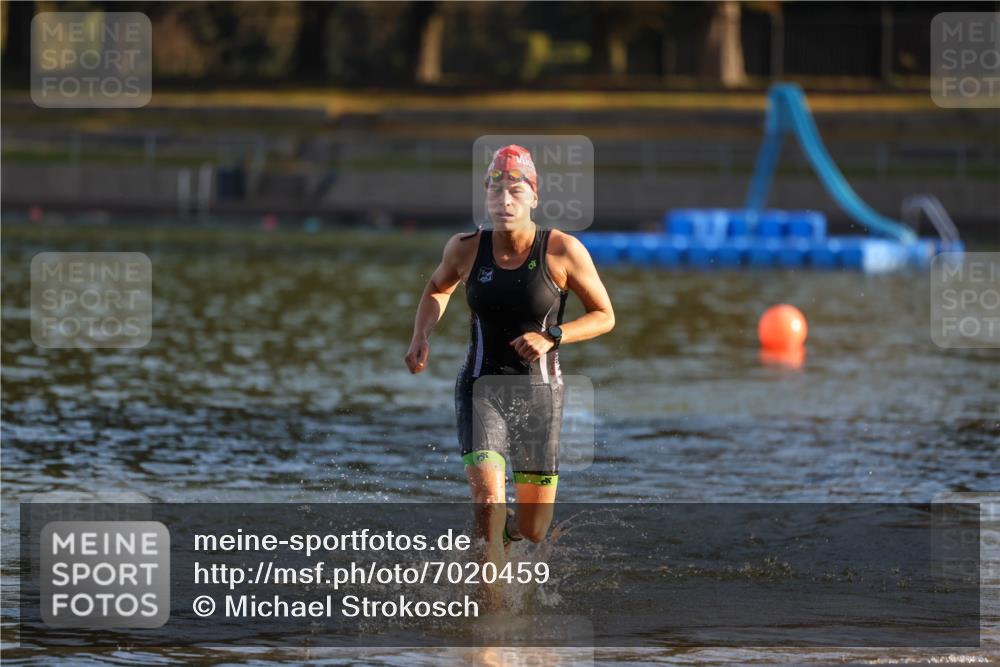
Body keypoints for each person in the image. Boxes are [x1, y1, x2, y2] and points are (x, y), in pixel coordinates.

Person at [404, 144, 614, 605]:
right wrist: (422, 335)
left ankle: (503, 539)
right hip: (481, 388)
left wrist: (552, 334)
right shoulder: (465, 248)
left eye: (516, 188)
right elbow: (437, 287)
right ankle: (491, 621)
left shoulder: (562, 250)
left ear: (534, 196)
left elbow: (604, 315)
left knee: (533, 528)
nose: (505, 198)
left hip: (540, 396)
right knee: (487, 506)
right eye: (495, 188)